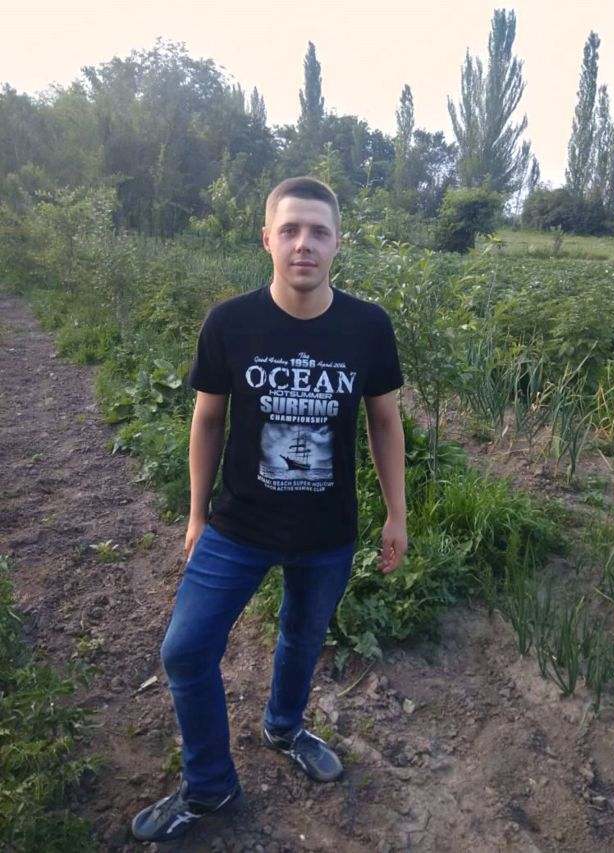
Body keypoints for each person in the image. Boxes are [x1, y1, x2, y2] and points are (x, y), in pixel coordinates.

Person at [131, 176, 407, 843]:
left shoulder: (368, 326)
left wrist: (396, 514)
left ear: (337, 242)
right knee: (185, 651)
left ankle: (284, 727)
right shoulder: (230, 322)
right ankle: (210, 784)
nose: (303, 243)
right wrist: (196, 515)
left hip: (327, 531)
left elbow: (384, 421)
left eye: (318, 231)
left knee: (302, 638)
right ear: (267, 239)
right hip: (239, 524)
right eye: (290, 230)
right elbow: (207, 420)